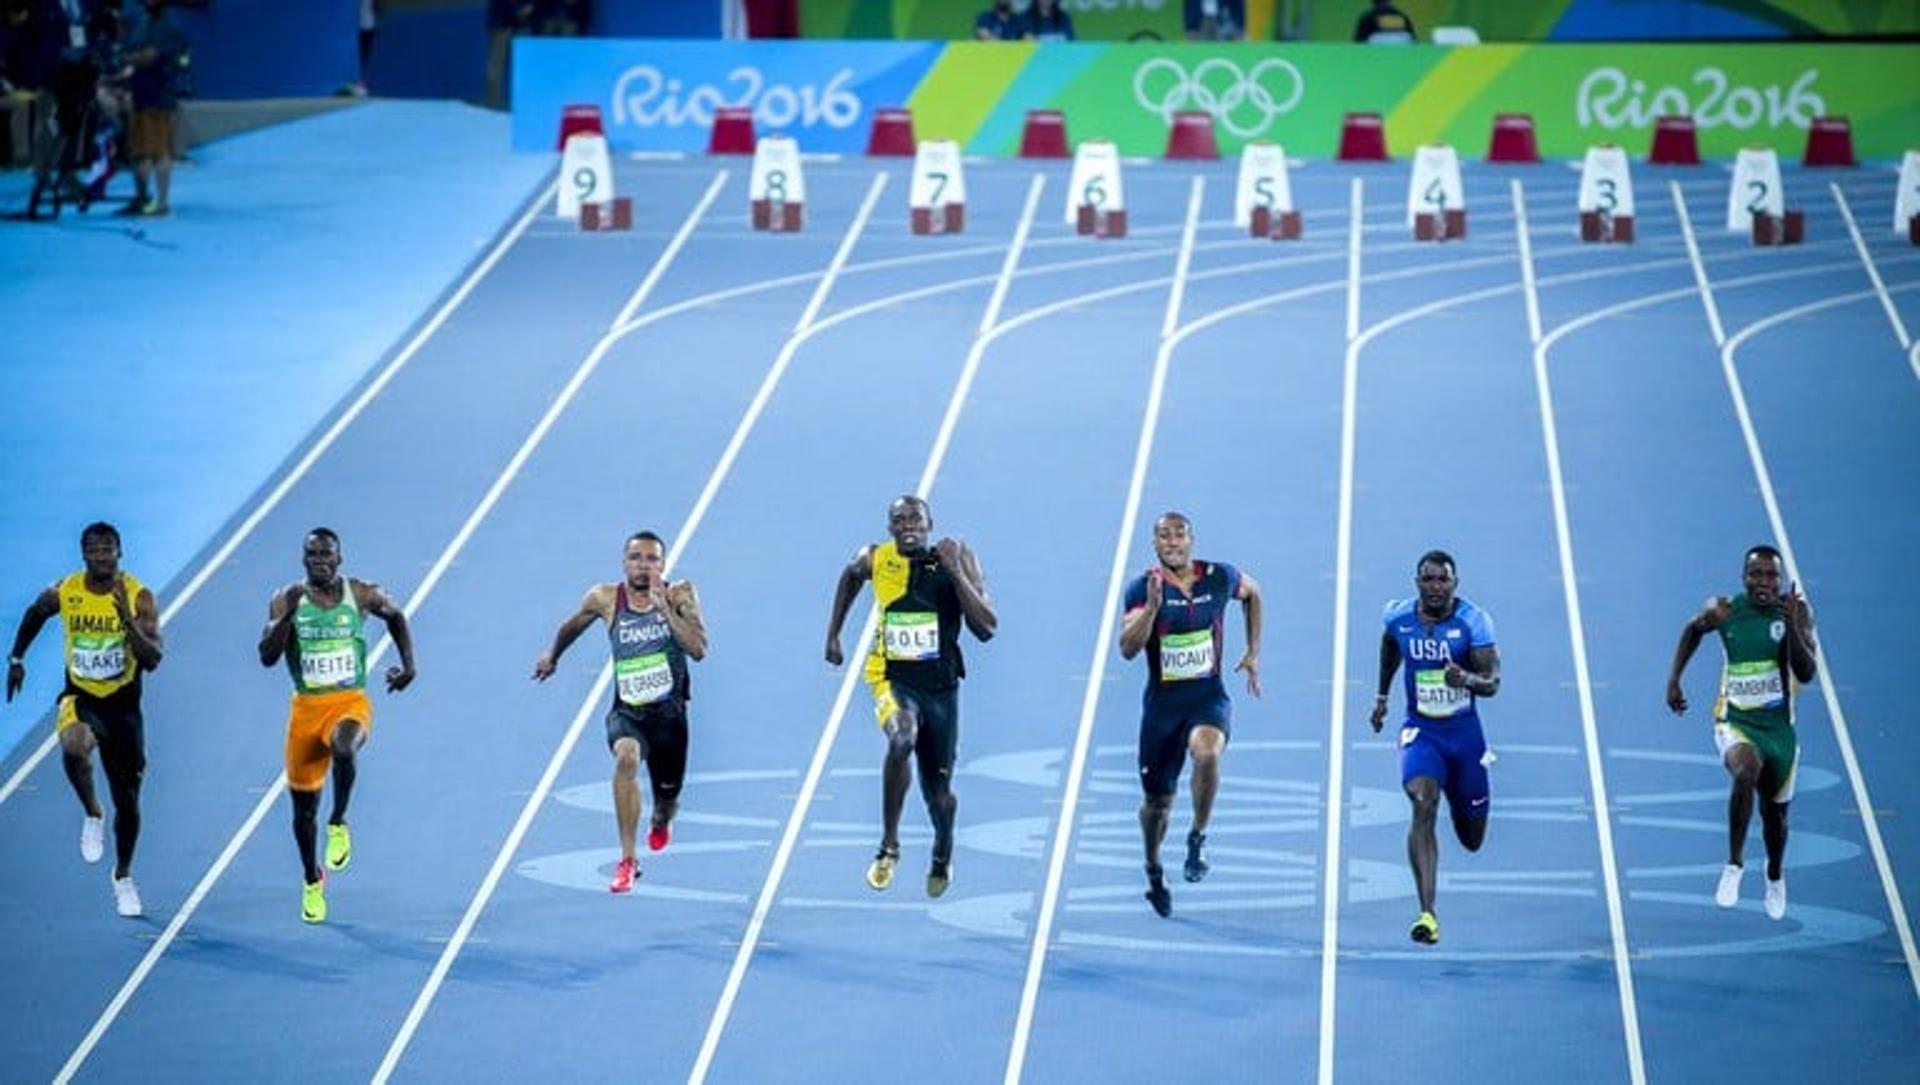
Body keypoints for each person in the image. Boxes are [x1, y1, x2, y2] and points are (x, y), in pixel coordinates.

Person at [825, 495, 995, 897]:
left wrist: (955, 571)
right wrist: (834, 633)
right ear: (890, 528)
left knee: (940, 798)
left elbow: (986, 628)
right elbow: (850, 577)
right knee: (901, 739)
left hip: (941, 689)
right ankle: (889, 846)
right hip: (891, 678)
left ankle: (942, 851)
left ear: (930, 523)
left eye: (915, 519)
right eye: (898, 521)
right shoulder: (876, 558)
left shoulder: (956, 557)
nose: (907, 527)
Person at [534, 530, 707, 893]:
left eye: (652, 559)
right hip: (628, 714)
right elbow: (573, 625)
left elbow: (698, 649)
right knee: (626, 759)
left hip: (671, 719)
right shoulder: (606, 599)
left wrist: (665, 611)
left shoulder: (680, 595)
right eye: (636, 558)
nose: (644, 566)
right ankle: (628, 860)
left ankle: (660, 821)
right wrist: (553, 655)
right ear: (624, 562)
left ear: (663, 563)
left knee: (665, 804)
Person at [258, 528, 415, 924]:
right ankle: (312, 879)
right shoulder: (285, 598)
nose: (320, 561)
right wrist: (288, 617)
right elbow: (267, 657)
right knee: (302, 813)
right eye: (312, 555)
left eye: (327, 555)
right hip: (306, 711)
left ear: (339, 559)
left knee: (345, 748)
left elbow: (395, 615)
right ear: (303, 560)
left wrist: (409, 666)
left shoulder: (359, 593)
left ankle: (339, 821)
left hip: (349, 702)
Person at [7, 522, 163, 917]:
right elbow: (36, 612)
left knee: (128, 803)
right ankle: (93, 812)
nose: (100, 556)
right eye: (93, 550)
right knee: (73, 748)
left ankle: (123, 876)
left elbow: (154, 659)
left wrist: (127, 622)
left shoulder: (139, 595)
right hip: (81, 697)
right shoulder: (67, 590)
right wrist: (16, 658)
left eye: (107, 549)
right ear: (83, 555)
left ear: (119, 552)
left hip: (124, 708)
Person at [1118, 512, 1261, 918]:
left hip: (1207, 698)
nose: (1172, 542)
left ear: (1191, 541)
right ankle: (1153, 867)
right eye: (1164, 536)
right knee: (1156, 807)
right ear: (1155, 544)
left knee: (1208, 752)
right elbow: (1127, 649)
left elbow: (1254, 593)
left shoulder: (1219, 577)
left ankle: (1197, 836)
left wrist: (1252, 651)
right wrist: (1151, 611)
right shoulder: (1143, 588)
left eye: (1179, 535)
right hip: (1162, 711)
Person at [1665, 545, 1816, 921]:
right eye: (1756, 574)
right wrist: (1674, 679)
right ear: (1743, 577)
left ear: (1780, 581)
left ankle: (1775, 875)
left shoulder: (1795, 613)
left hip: (1779, 731)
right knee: (1744, 772)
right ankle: (1734, 865)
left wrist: (1794, 627)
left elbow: (1807, 673)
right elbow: (1692, 628)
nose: (1763, 582)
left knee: (1776, 821)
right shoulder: (1725, 611)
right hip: (1735, 721)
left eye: (1771, 576)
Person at [1369, 550, 1499, 945]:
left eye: (1443, 580)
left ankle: (1464, 803)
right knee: (1423, 802)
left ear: (1454, 584)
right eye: (1428, 580)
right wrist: (1381, 696)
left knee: (1471, 839)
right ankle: (1427, 913)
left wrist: (1467, 680)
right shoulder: (1399, 617)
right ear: (1417, 583)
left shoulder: (1473, 622)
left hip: (1464, 738)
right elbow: (1390, 647)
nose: (1436, 587)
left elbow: (1492, 682)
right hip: (1421, 733)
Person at [119, 0, 186, 216]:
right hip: (140, 94)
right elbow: (133, 50)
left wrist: (125, 60)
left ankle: (162, 203)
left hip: (159, 96)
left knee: (158, 152)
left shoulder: (168, 27)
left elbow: (149, 56)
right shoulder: (142, 22)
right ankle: (142, 199)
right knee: (139, 152)